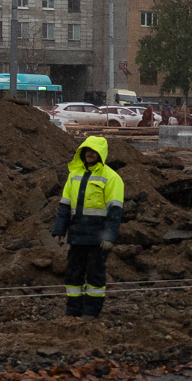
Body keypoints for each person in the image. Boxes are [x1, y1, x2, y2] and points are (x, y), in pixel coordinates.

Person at [51, 134, 122, 319]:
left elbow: (115, 212)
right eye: (86, 151)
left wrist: (109, 237)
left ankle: (91, 312)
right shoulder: (74, 175)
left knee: (95, 276)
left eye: (93, 151)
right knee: (73, 275)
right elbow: (65, 205)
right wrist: (60, 230)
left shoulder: (112, 178)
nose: (89, 154)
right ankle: (73, 311)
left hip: (97, 239)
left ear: (101, 154)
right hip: (77, 236)